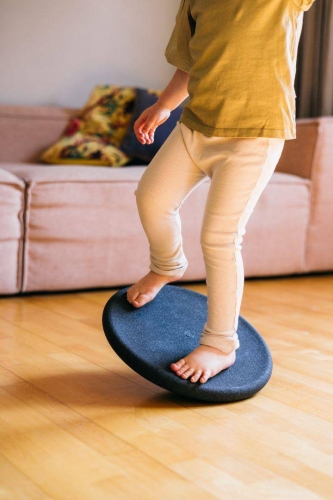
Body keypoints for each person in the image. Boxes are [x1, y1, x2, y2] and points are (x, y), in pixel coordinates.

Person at [126, 0, 316, 384]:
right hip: (196, 127)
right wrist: (164, 106)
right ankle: (167, 265)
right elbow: (190, 63)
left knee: (219, 238)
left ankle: (220, 344)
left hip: (254, 136)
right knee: (151, 197)